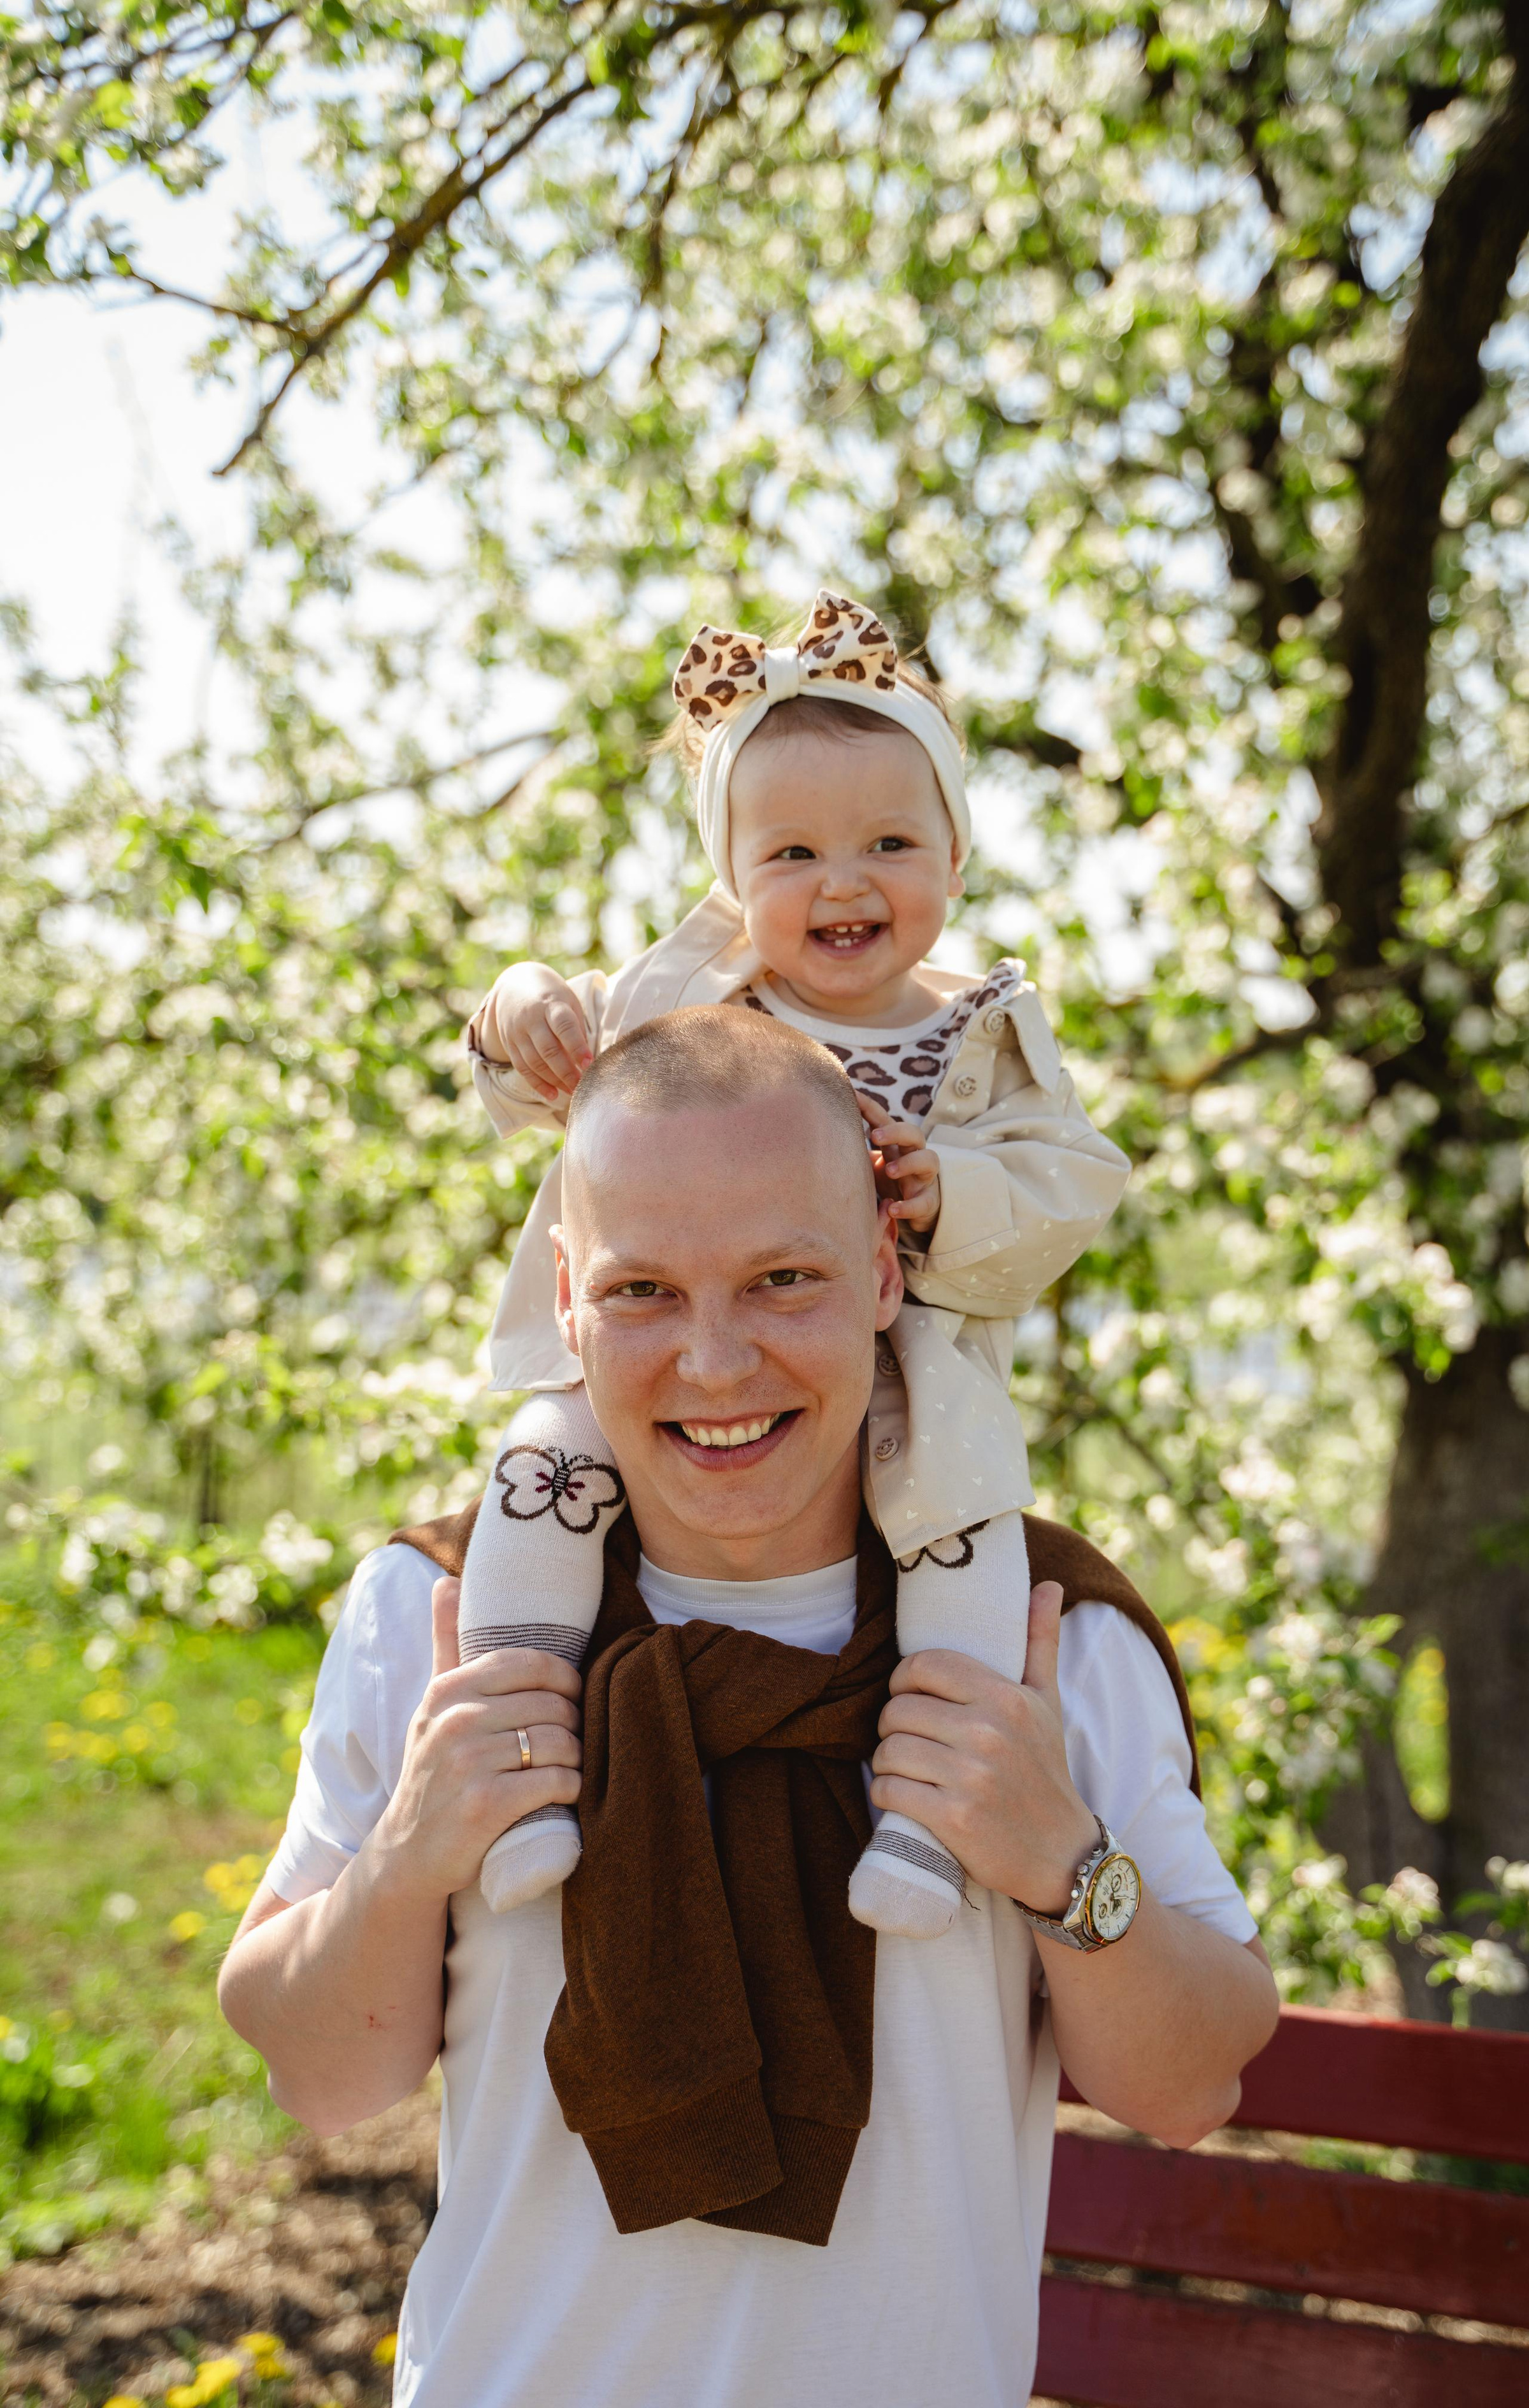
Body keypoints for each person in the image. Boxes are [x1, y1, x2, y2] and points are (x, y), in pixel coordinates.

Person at [219, 1007, 1278, 2408]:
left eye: (783, 1280)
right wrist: (412, 1857)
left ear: (888, 1271)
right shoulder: (447, 1610)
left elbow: (1189, 2089)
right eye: (642, 1291)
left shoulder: (1045, 1637)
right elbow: (319, 2080)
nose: (713, 1366)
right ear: (563, 1289)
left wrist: (1061, 1864)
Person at [456, 588, 1132, 1934]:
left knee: (963, 1538)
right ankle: (518, 1762)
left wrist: (954, 1188)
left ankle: (929, 1829)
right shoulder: (683, 999)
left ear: (951, 852)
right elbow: (550, 1070)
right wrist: (516, 1007)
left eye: (889, 840)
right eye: (791, 854)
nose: (842, 882)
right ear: (731, 878)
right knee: (542, 1466)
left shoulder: (985, 1033)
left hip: (908, 1361)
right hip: (679, 1336)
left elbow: (1076, 1180)